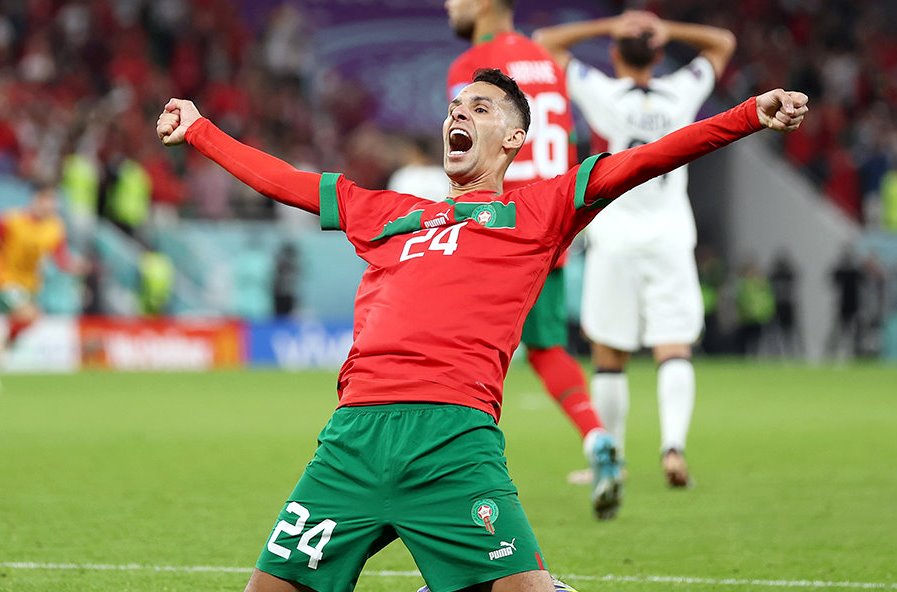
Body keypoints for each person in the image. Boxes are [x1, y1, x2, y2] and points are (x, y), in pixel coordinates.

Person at [156, 68, 807, 592]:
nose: (457, 116)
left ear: (514, 138)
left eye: (479, 107)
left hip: (453, 440)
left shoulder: (541, 208)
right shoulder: (390, 212)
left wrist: (747, 115)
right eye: (453, 108)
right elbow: (289, 182)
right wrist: (200, 131)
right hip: (351, 440)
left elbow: (646, 159)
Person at [534, 10, 736, 488]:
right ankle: (673, 448)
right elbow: (723, 41)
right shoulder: (681, 91)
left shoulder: (602, 92)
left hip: (615, 236)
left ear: (614, 54)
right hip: (671, 236)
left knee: (609, 354)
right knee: (674, 347)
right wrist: (671, 29)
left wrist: (610, 24)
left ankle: (614, 460)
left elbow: (545, 40)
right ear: (659, 55)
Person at [445, 0, 623, 516]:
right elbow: (567, 137)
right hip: (548, 221)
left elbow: (466, 149)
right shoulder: (546, 60)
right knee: (546, 348)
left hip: (494, 223)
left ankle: (458, 470)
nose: (448, 5)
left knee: (459, 349)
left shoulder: (469, 67)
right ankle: (596, 437)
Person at [0, 183, 85, 355]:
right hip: (5, 279)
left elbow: (61, 259)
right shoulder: (11, 221)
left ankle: (5, 348)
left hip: (29, 284)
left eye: (53, 201)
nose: (50, 205)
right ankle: (5, 347)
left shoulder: (54, 228)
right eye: (46, 200)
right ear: (35, 199)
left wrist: (76, 266)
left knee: (30, 318)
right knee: (28, 314)